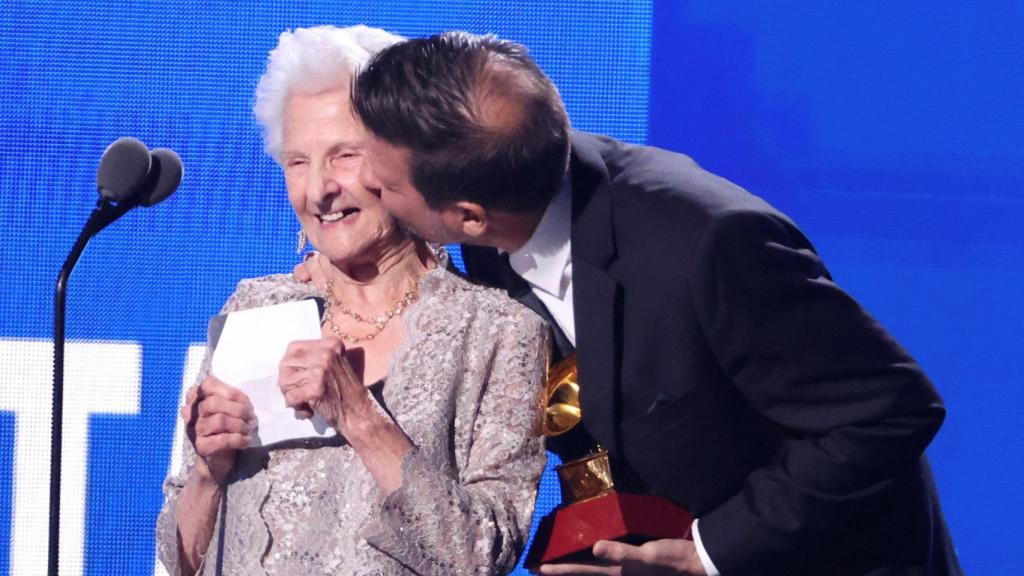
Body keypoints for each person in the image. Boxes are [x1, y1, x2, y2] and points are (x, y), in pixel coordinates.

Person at [319, 31, 962, 576]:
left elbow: (888, 412)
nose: (364, 185)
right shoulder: (497, 218)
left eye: (383, 179)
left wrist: (711, 552)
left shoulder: (709, 244)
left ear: (469, 216)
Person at [155, 26, 549, 576]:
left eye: (344, 156)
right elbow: (179, 562)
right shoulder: (254, 307)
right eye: (297, 162)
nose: (318, 190)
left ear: (400, 161)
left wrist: (360, 418)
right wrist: (208, 473)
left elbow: (482, 556)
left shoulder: (497, 331)